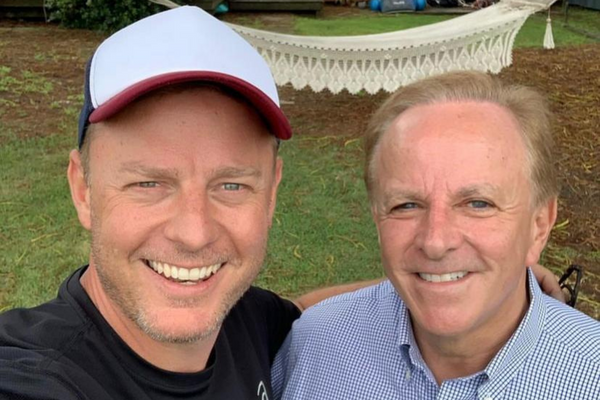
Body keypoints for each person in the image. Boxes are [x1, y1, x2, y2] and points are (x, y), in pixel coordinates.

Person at [0, 7, 564, 400]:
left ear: (271, 194)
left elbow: (299, 308)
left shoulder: (247, 323)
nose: (194, 233)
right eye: (149, 183)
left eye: (231, 185)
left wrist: (458, 271)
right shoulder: (31, 374)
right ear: (83, 189)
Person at [272, 71, 600, 399]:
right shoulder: (314, 346)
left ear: (539, 225)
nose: (435, 242)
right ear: (377, 218)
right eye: (406, 205)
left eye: (478, 203)